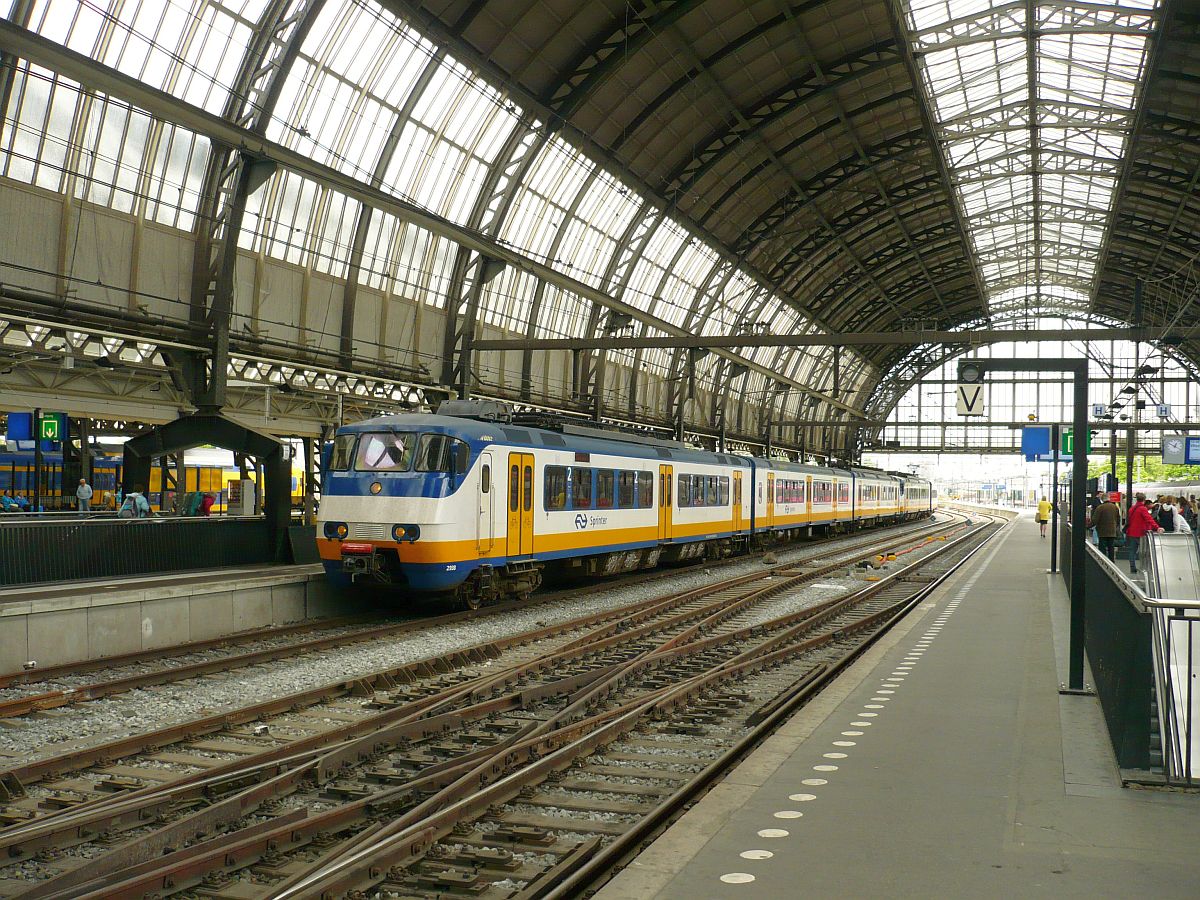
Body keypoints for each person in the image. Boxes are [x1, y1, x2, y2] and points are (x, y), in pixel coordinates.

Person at [1125, 493, 1162, 575]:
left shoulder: (1132, 508)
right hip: (1141, 533)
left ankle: (1132, 567)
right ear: (1144, 500)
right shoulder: (1142, 509)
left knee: (1132, 551)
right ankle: (1145, 567)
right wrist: (1157, 527)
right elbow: (1149, 519)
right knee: (1145, 550)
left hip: (1132, 532)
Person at [1092, 492, 1122, 562]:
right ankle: (1111, 561)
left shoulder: (1100, 507)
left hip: (1102, 531)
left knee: (1102, 547)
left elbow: (1095, 519)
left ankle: (1103, 561)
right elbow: (1118, 518)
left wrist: (1088, 526)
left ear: (1102, 499)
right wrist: (1115, 526)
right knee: (1111, 547)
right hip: (1112, 531)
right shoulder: (1115, 507)